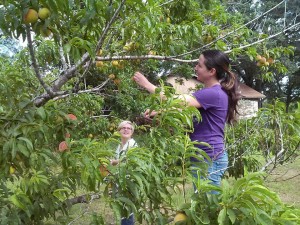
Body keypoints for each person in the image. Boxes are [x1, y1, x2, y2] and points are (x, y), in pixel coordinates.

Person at [132, 49, 240, 190]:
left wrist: (147, 84)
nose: (195, 67)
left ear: (211, 71)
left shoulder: (213, 93)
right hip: (203, 157)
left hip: (210, 158)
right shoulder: (208, 93)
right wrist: (159, 112)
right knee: (202, 204)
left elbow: (175, 100)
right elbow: (183, 109)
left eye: (199, 65)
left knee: (208, 206)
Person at [111, 120, 137, 225]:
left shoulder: (133, 143)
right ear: (119, 131)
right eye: (123, 128)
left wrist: (115, 161)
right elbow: (116, 164)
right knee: (122, 210)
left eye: (129, 128)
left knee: (127, 211)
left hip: (129, 183)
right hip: (120, 182)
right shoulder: (119, 145)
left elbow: (130, 160)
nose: (126, 130)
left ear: (132, 132)